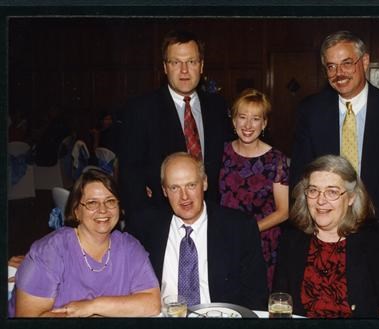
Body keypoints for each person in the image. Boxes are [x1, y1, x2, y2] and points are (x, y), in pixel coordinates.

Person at [290, 30, 379, 278]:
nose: (339, 74)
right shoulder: (310, 111)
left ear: (365, 61)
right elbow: (300, 178)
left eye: (347, 63)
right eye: (331, 67)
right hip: (326, 233)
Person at [9, 169, 161, 317]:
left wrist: (92, 307)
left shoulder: (129, 247)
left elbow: (152, 303)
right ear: (76, 211)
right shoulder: (50, 252)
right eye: (92, 203)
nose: (103, 210)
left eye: (110, 201)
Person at [118, 29, 232, 226]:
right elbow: (130, 174)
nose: (184, 70)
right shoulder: (141, 110)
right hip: (161, 220)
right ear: (165, 67)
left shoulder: (217, 106)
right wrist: (147, 221)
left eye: (191, 62)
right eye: (176, 62)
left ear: (202, 65)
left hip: (211, 218)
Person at [128, 152, 268, 310]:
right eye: (175, 188)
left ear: (205, 183)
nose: (184, 196)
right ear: (164, 191)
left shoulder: (239, 228)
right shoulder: (144, 227)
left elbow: (256, 296)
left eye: (191, 185)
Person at [274, 155, 379, 318]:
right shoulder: (292, 239)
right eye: (313, 190)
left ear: (351, 197)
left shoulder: (376, 243)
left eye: (332, 192)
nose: (320, 200)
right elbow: (280, 301)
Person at [218, 88, 289, 291]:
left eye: (256, 118)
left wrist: (247, 231)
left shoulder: (277, 159)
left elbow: (284, 212)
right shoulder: (220, 152)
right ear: (233, 121)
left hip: (263, 244)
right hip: (223, 241)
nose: (248, 125)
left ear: (264, 123)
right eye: (242, 117)